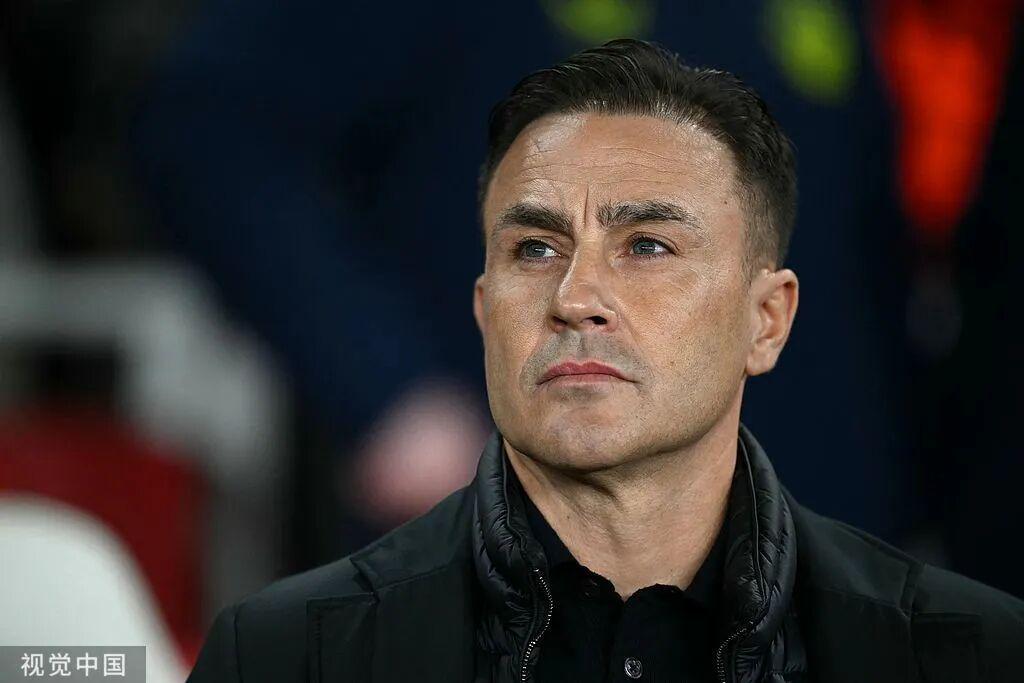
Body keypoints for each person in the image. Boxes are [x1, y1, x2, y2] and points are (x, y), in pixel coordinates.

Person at [186, 39, 1023, 683]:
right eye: (535, 248)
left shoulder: (967, 652)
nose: (576, 295)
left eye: (647, 245)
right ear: (483, 308)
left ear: (768, 319)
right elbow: (209, 117)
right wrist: (379, 384)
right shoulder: (284, 656)